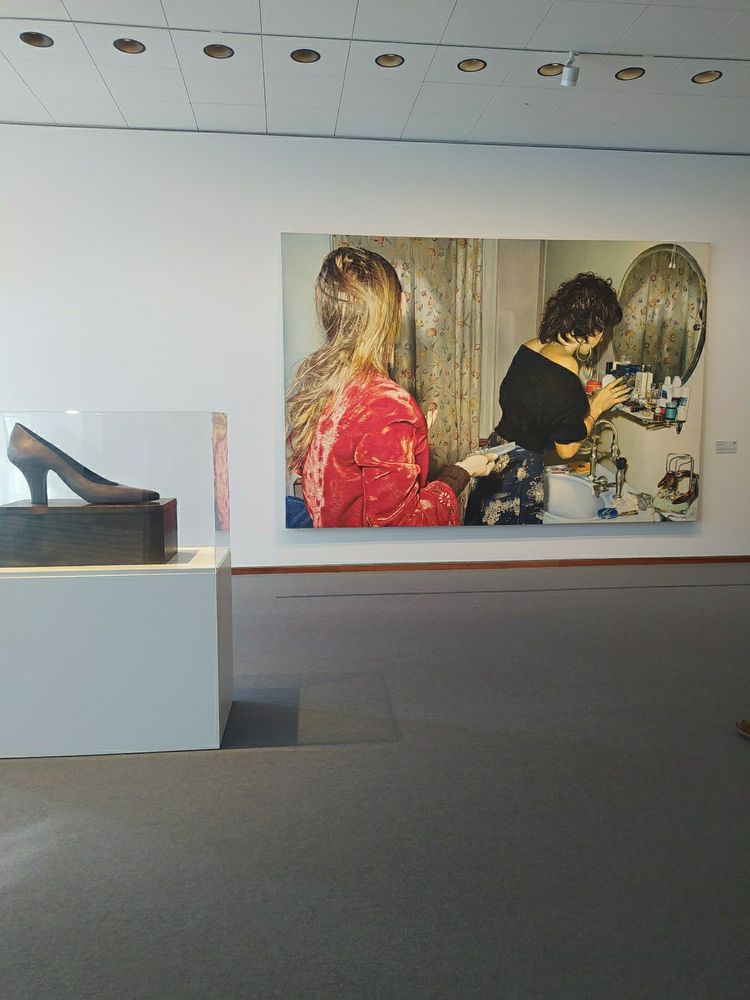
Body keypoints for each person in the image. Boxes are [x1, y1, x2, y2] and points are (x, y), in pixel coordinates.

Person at [286, 246, 496, 527]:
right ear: (395, 307)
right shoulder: (386, 404)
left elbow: (342, 470)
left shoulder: (322, 381)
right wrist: (462, 472)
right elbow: (403, 527)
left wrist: (406, 437)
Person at [464, 272, 631, 526]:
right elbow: (567, 450)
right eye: (604, 329)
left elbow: (539, 406)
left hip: (494, 454)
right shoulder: (567, 368)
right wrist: (597, 408)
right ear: (595, 326)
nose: (602, 337)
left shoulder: (530, 346)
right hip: (520, 470)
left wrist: (579, 404)